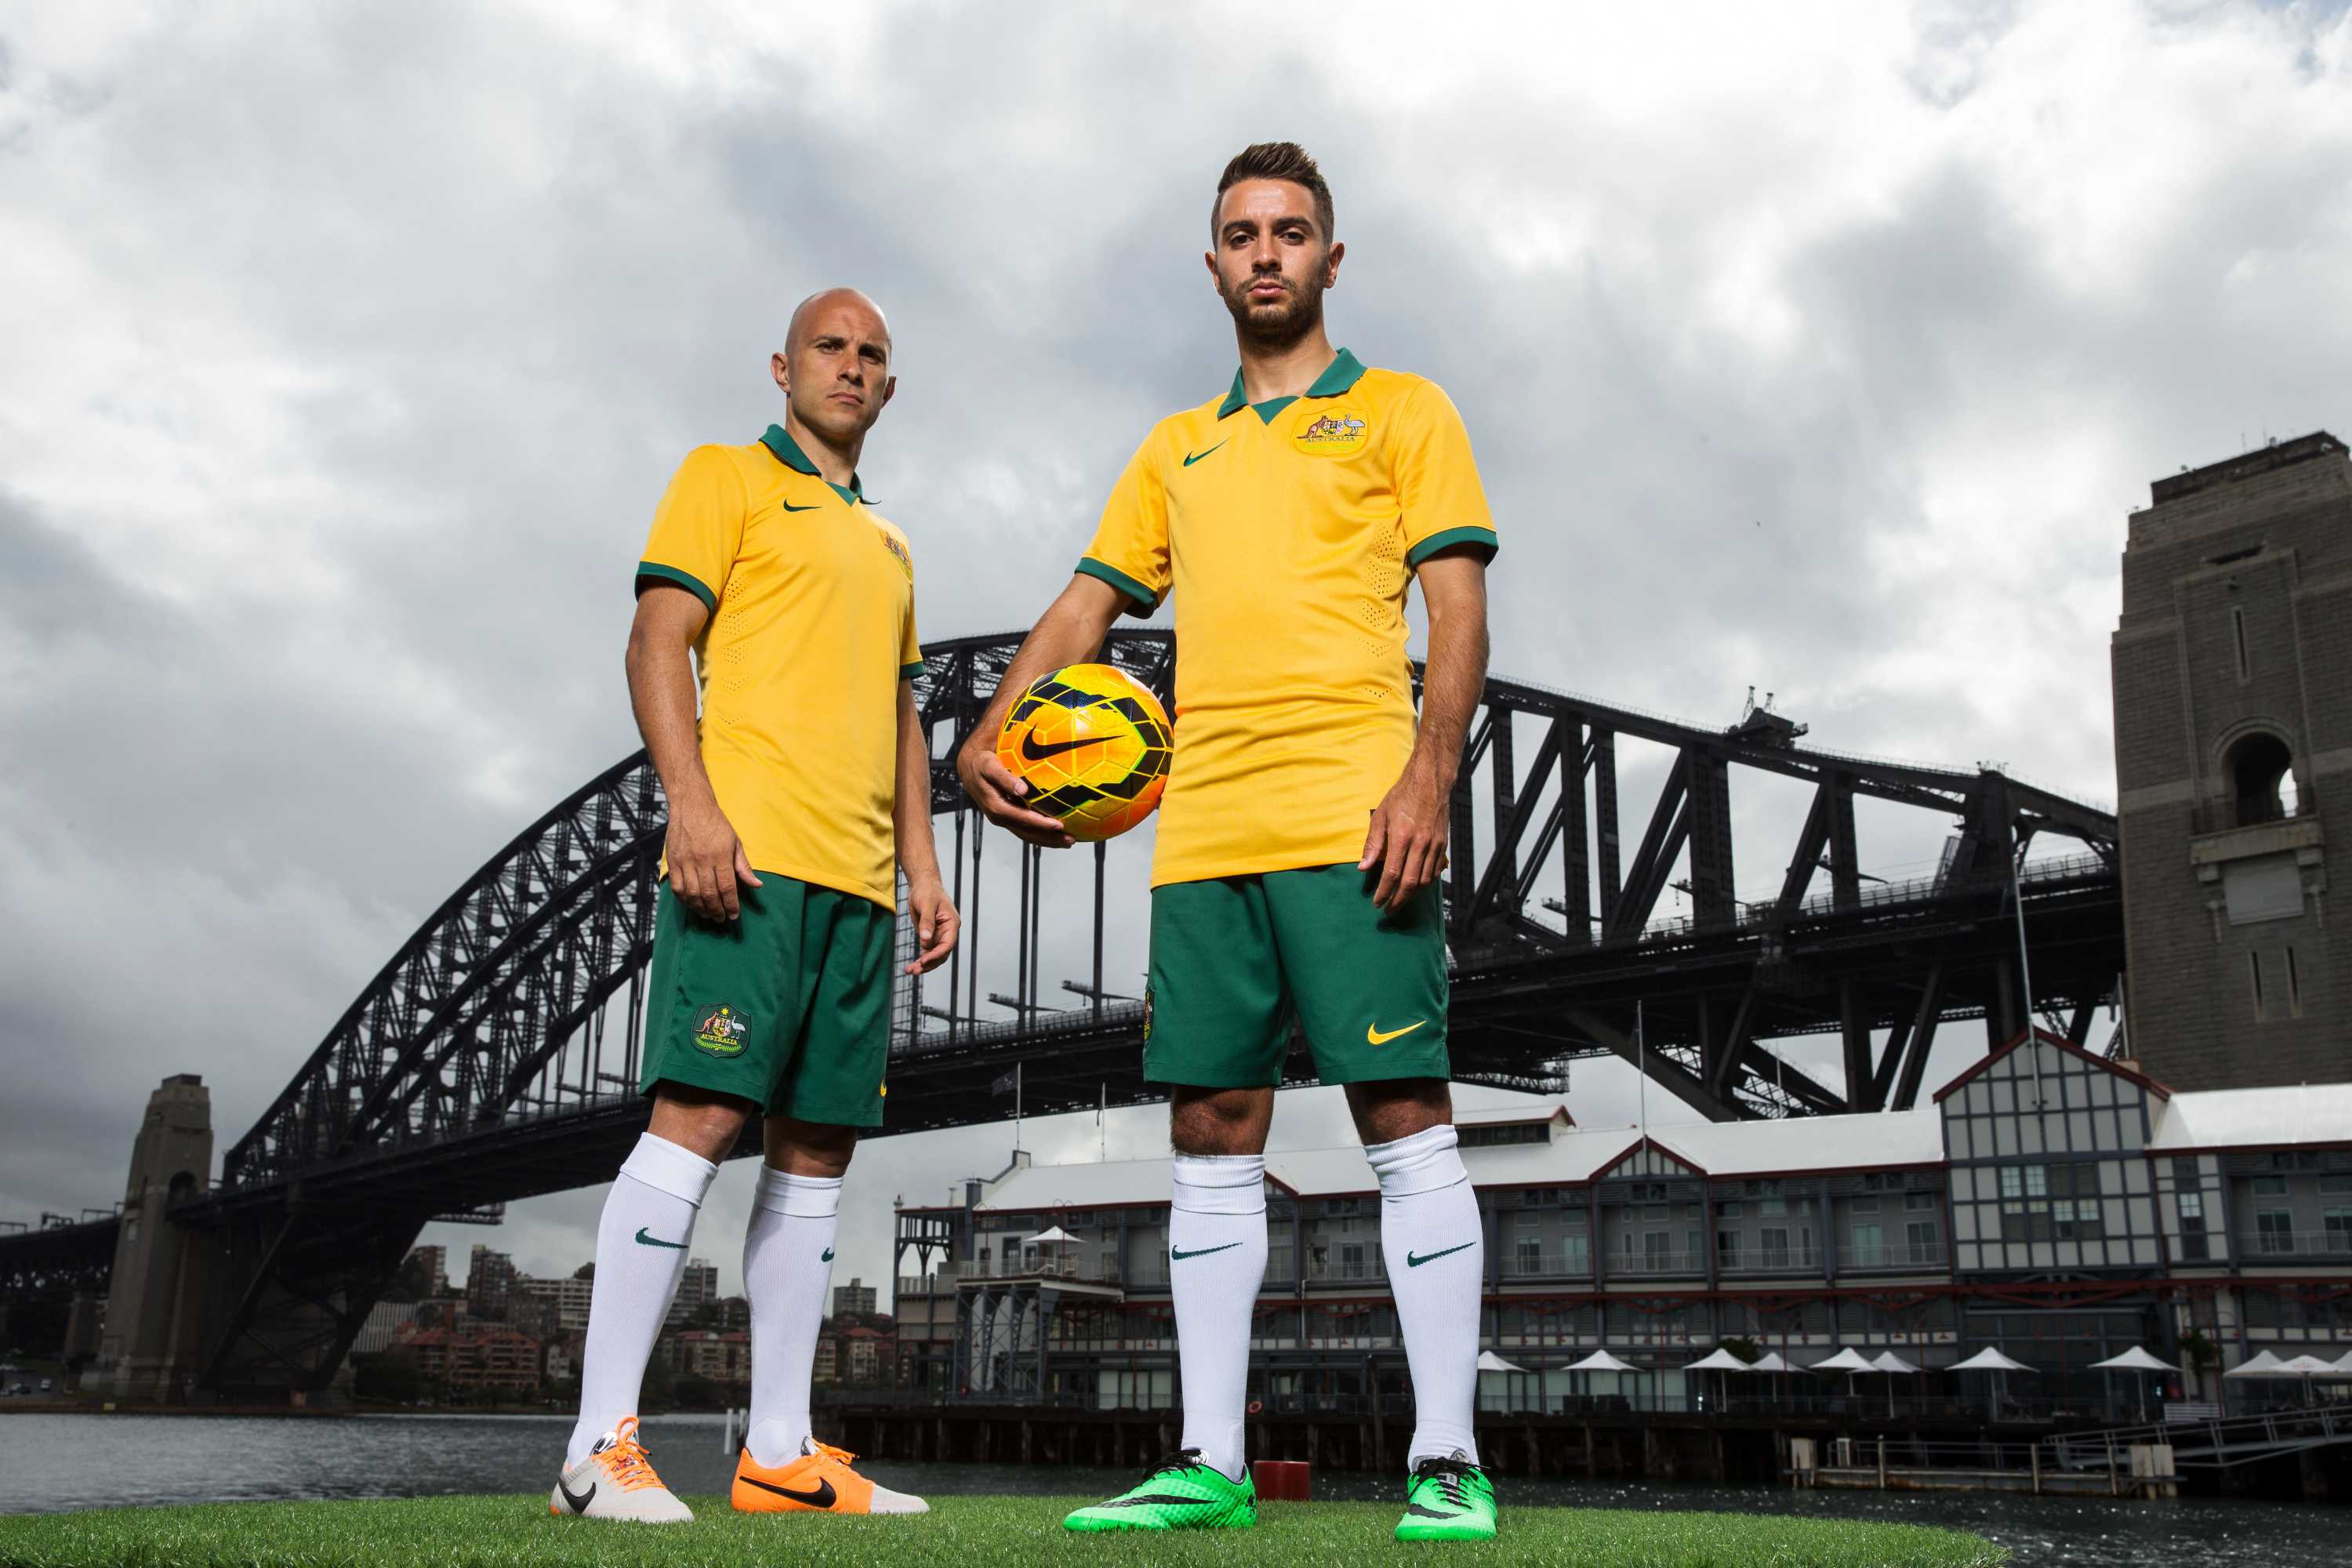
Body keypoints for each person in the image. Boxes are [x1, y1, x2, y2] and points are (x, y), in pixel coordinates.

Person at [957, 143, 1499, 1543]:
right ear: (1214, 264)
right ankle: (1211, 1461)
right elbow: (1088, 606)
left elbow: (1456, 615)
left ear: (1332, 257)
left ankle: (1447, 1460)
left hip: (1351, 808)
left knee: (1403, 1115)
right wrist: (991, 732)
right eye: (1242, 235)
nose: (1267, 253)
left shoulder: (1401, 411)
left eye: (1292, 232)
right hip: (1202, 826)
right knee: (1208, 1127)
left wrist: (1428, 779)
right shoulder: (1175, 446)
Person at [551, 288, 955, 1523]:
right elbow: (656, 641)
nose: (850, 366)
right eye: (830, 347)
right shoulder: (725, 477)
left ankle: (780, 1452)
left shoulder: (890, 545)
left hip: (858, 882)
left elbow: (900, 716)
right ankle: (595, 1448)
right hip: (754, 857)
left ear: (890, 388)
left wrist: (925, 867)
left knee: (819, 1149)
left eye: (872, 355)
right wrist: (692, 806)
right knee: (702, 1116)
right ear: (783, 366)